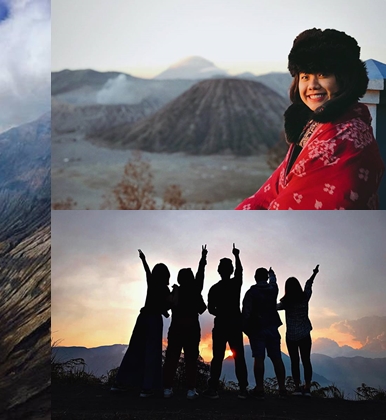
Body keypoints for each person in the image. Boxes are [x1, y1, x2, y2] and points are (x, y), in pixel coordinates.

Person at [237, 28, 384, 210]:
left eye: (323, 75)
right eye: (305, 76)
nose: (312, 85)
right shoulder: (313, 128)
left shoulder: (346, 139)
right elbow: (267, 194)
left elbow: (294, 212)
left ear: (344, 79)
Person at [110, 249, 171, 397]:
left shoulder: (152, 284)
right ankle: (147, 387)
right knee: (152, 352)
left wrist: (143, 259)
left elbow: (147, 272)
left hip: (142, 318)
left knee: (134, 349)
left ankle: (121, 382)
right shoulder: (165, 289)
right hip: (154, 321)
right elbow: (166, 307)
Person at [161, 245, 207, 400]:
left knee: (172, 358)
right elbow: (201, 276)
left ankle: (167, 388)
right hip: (192, 328)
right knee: (191, 359)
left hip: (175, 328)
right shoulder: (195, 291)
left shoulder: (176, 291)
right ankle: (191, 390)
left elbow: (165, 306)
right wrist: (203, 259)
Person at [204, 244, 248, 399]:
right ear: (230, 270)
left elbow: (211, 309)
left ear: (218, 270)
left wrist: (221, 312)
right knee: (239, 357)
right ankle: (243, 389)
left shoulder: (214, 289)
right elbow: (240, 272)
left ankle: (213, 388)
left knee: (217, 357)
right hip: (235, 324)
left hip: (221, 324)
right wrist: (237, 256)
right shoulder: (235, 284)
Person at [242, 267, 286, 399]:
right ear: (266, 278)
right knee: (277, 358)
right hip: (272, 328)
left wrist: (246, 328)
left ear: (255, 277)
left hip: (257, 329)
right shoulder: (273, 290)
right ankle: (282, 389)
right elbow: (274, 281)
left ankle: (259, 389)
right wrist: (272, 273)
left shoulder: (251, 293)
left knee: (259, 358)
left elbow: (246, 312)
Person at [277, 265, 319, 397]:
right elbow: (308, 284)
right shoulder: (304, 297)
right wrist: (314, 274)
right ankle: (307, 387)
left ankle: (296, 387)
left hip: (291, 337)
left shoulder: (286, 303)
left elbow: (274, 307)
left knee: (294, 361)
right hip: (305, 334)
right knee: (306, 360)